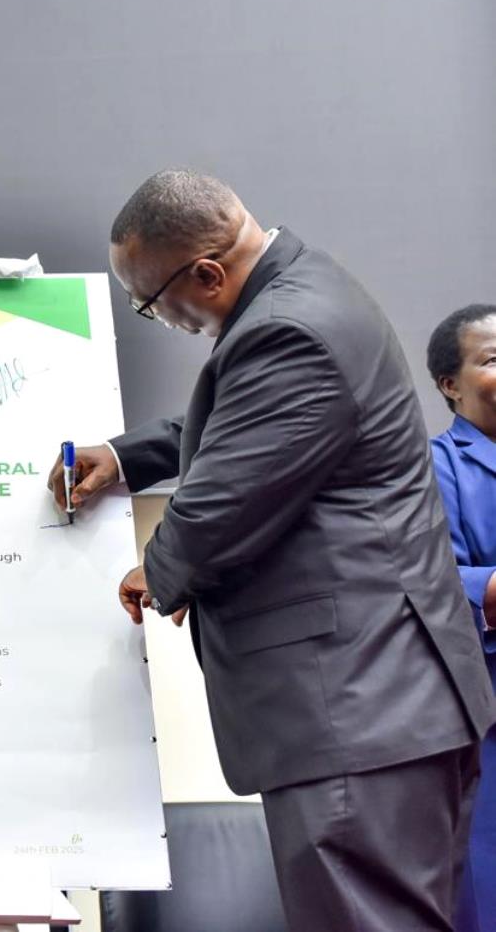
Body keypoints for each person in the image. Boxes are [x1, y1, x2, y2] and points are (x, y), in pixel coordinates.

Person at [48, 169, 495, 930]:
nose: (162, 320)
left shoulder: (291, 329)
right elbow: (251, 431)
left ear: (208, 274)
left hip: (357, 705)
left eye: (150, 305)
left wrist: (155, 573)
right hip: (383, 707)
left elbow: (226, 500)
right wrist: (127, 460)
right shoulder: (307, 294)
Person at [428, 304, 496, 932]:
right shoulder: (431, 466)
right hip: (485, 708)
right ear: (450, 383)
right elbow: (428, 579)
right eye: (492, 358)